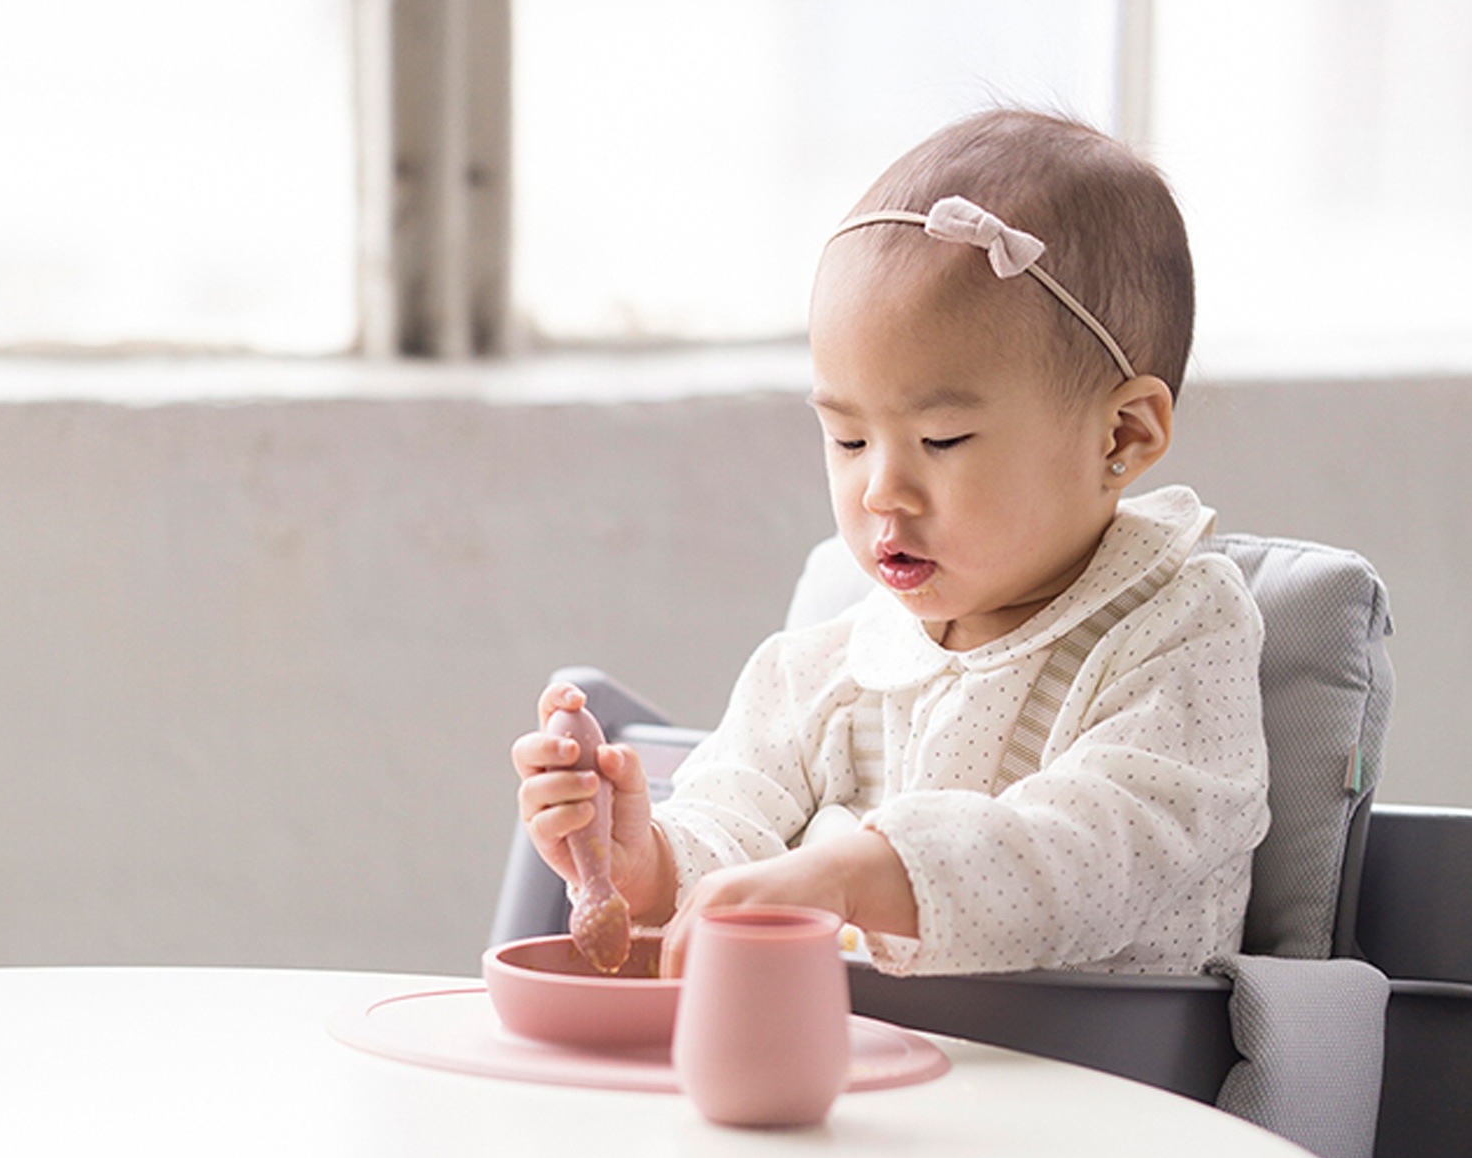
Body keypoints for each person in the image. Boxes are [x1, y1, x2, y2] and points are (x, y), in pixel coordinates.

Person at [512, 108, 1269, 980]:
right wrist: (644, 861)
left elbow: (1097, 848)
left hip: (1087, 1092)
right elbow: (735, 826)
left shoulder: (1181, 633)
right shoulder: (820, 669)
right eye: (847, 440)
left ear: (1121, 437)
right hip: (850, 1091)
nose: (880, 490)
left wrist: (861, 872)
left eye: (941, 441)